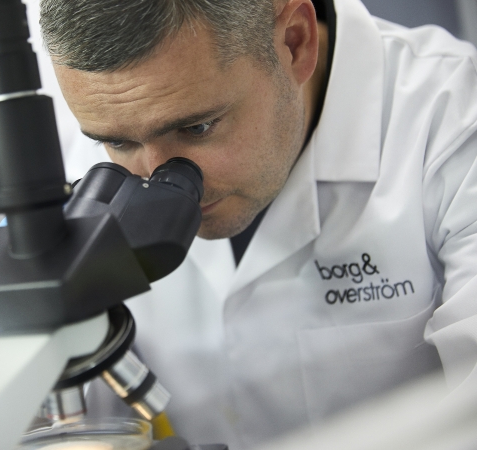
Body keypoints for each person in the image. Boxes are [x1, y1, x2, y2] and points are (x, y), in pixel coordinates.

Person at [39, 0, 477, 447]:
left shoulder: (455, 121)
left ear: (294, 42)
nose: (156, 180)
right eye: (115, 142)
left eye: (197, 128)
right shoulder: (123, 118)